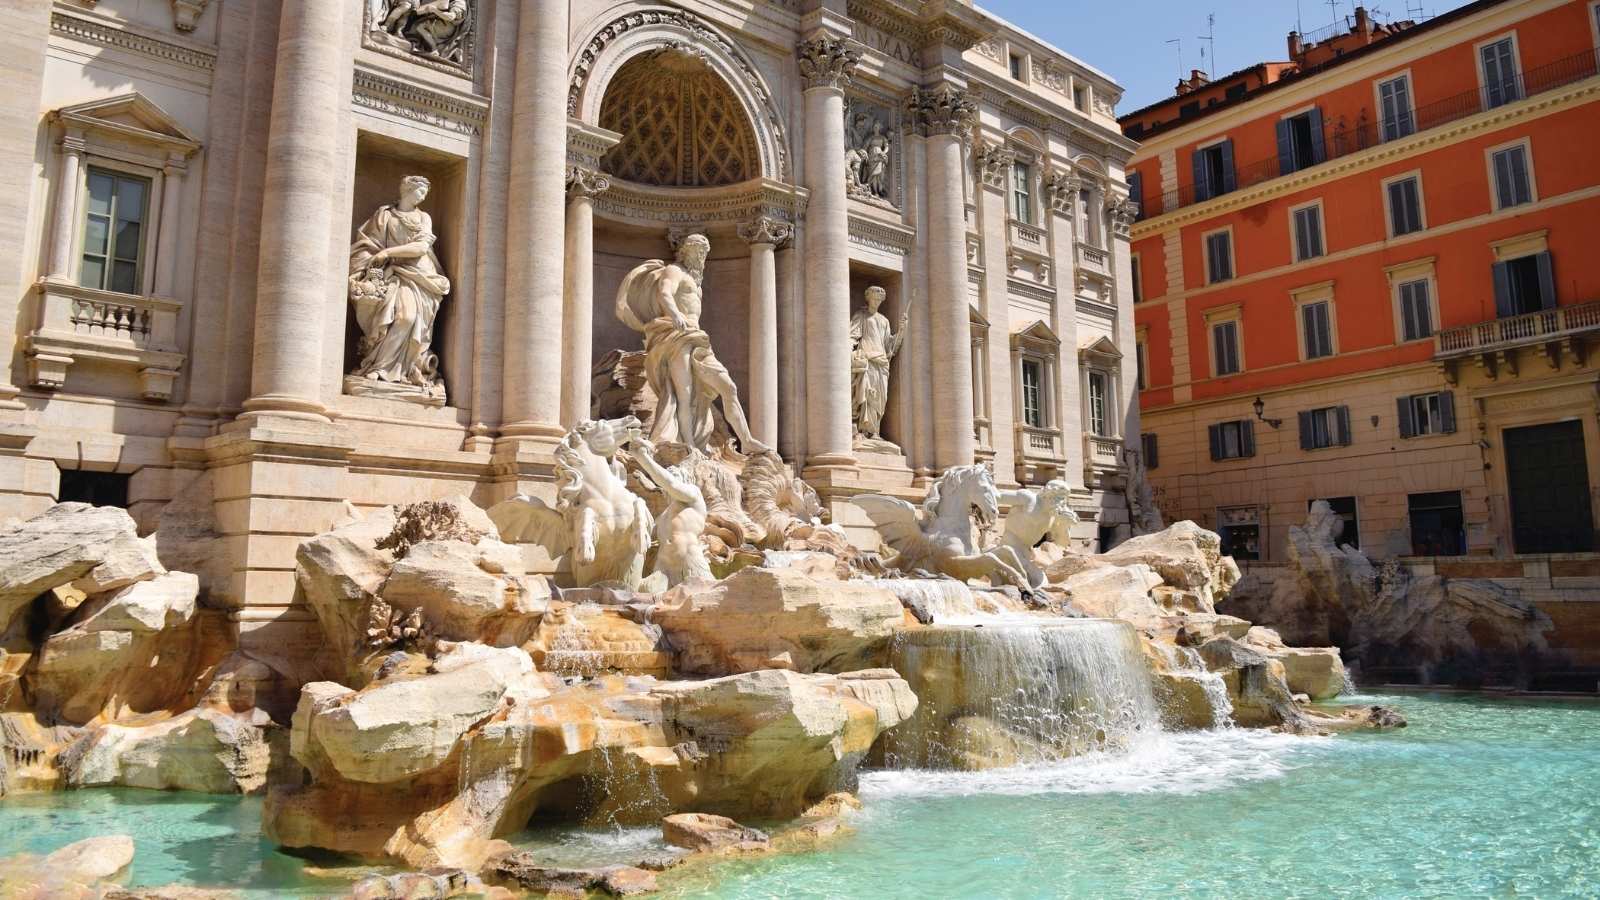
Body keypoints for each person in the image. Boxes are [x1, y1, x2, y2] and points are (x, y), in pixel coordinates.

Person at [614, 234, 768, 455]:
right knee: (683, 395)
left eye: (703, 254)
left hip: (697, 338)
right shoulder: (674, 270)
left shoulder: (696, 282)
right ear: (685, 251)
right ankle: (688, 445)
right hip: (676, 336)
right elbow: (664, 292)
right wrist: (675, 314)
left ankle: (747, 439)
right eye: (696, 252)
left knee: (728, 387)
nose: (700, 257)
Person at [347, 175, 450, 392]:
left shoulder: (424, 218)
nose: (422, 196)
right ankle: (378, 368)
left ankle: (399, 369)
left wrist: (387, 252)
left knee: (408, 318)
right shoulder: (384, 215)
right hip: (391, 272)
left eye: (425, 193)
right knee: (394, 317)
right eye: (419, 191)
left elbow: (421, 249)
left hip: (420, 275)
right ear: (406, 190)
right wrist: (377, 259)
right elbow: (368, 242)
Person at [849, 286, 908, 442]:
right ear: (868, 298)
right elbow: (852, 335)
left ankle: (874, 431)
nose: (876, 301)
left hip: (882, 363)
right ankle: (861, 429)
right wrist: (848, 351)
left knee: (879, 400)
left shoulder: (884, 321)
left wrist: (901, 330)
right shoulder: (861, 316)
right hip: (867, 360)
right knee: (866, 395)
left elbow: (890, 346)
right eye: (874, 298)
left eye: (879, 299)